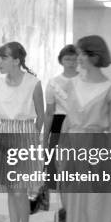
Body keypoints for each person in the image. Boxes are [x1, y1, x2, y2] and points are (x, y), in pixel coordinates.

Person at [57, 35, 111, 222]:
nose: (77, 57)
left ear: (94, 56)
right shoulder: (71, 85)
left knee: (94, 211)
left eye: (82, 53)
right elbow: (68, 122)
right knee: (73, 207)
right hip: (72, 151)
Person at [0, 41, 44, 222]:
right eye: (0, 57)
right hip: (5, 134)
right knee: (11, 190)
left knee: (20, 189)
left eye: (3, 58)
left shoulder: (33, 83)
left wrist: (33, 139)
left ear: (16, 60)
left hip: (25, 135)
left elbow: (41, 114)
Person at [43, 44, 78, 190]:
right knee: (53, 164)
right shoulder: (53, 83)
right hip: (58, 122)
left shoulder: (86, 81)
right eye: (67, 59)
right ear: (61, 60)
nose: (70, 62)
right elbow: (49, 112)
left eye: (73, 59)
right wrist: (45, 138)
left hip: (79, 124)